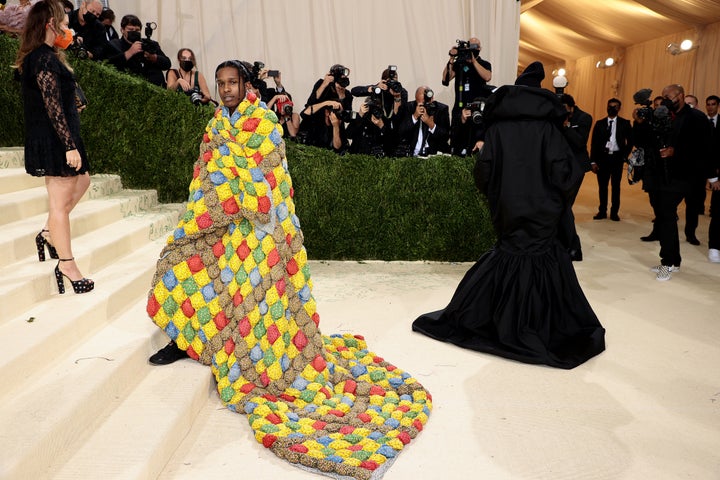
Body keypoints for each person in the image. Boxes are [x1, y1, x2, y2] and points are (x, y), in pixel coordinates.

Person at [145, 59, 431, 479]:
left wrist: (229, 177)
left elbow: (267, 179)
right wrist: (218, 185)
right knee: (178, 264)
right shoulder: (216, 125)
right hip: (219, 217)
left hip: (261, 228)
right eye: (220, 83)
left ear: (245, 84)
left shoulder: (263, 123)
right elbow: (206, 170)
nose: (225, 90)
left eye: (232, 83)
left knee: (249, 288)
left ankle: (247, 353)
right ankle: (186, 340)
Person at [412, 61, 605, 369]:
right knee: (542, 258)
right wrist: (557, 203)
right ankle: (532, 325)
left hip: (507, 207)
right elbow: (565, 174)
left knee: (508, 253)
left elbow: (483, 171)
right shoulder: (549, 128)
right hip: (544, 211)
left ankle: (497, 319)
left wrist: (496, 196)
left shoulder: (498, 128)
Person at [15, 0, 94, 294]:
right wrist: (68, 146)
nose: (68, 29)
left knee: (83, 180)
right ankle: (67, 264)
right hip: (55, 140)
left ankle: (49, 234)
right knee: (59, 204)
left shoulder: (48, 57)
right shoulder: (44, 58)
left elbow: (56, 100)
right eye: (63, 24)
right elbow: (51, 109)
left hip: (60, 136)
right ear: (49, 25)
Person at [642, 84, 713, 280]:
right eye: (663, 96)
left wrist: (676, 152)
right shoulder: (666, 115)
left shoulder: (696, 118)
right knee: (665, 216)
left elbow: (704, 149)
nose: (665, 99)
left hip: (686, 175)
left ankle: (668, 263)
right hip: (665, 175)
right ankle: (673, 260)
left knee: (666, 214)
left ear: (680, 96)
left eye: (668, 96)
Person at [442, 37, 492, 155]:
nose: (472, 48)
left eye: (475, 46)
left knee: (473, 141)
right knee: (457, 141)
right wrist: (452, 58)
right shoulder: (460, 63)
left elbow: (487, 77)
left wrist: (474, 61)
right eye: (470, 45)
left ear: (480, 48)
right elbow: (445, 79)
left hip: (477, 109)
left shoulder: (484, 64)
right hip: (459, 108)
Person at [557, 93, 592, 260]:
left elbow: (579, 142)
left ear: (571, 107)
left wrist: (565, 127)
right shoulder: (556, 117)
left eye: (565, 110)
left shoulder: (584, 118)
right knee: (562, 206)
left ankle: (573, 248)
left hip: (577, 167)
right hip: (561, 166)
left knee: (564, 206)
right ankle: (565, 243)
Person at [590, 98, 633, 221]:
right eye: (610, 106)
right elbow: (594, 143)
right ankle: (602, 211)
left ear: (619, 108)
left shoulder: (625, 123)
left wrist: (624, 155)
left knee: (616, 186)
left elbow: (630, 141)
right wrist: (593, 161)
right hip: (602, 158)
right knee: (602, 186)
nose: (612, 108)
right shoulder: (599, 123)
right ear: (606, 107)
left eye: (615, 106)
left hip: (616, 158)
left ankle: (614, 212)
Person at [106, 14, 171, 87]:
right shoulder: (114, 45)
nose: (134, 32)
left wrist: (154, 58)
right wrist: (129, 53)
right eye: (130, 29)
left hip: (156, 87)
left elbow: (167, 64)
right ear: (122, 30)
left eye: (137, 30)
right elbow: (108, 65)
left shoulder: (150, 44)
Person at [396, 86, 450, 157]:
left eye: (426, 103)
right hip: (412, 155)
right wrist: (414, 117)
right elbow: (400, 132)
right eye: (420, 103)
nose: (424, 106)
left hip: (433, 155)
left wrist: (431, 124)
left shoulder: (441, 110)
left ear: (432, 98)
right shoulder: (408, 108)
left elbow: (446, 136)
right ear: (416, 100)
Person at [705, 95, 720, 262]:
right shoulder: (702, 122)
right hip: (711, 170)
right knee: (717, 211)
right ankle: (714, 247)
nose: (710, 107)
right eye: (708, 104)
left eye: (713, 104)